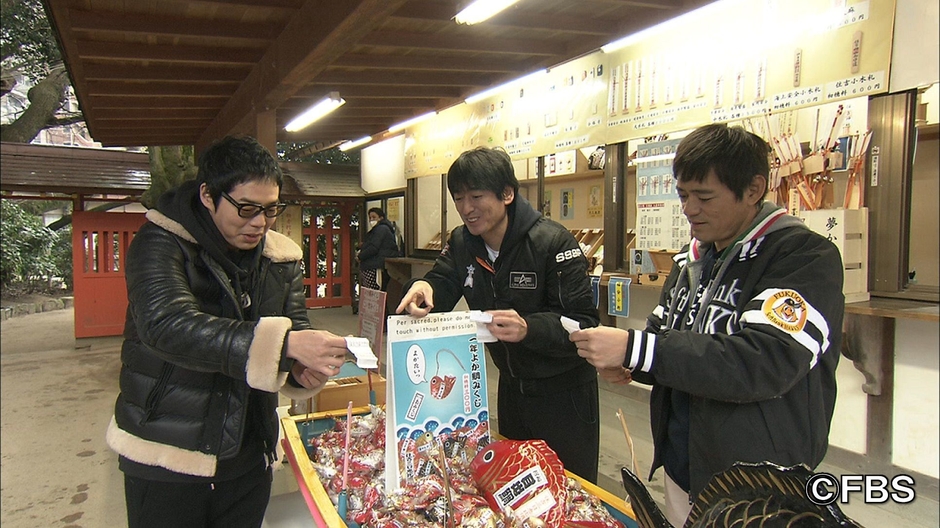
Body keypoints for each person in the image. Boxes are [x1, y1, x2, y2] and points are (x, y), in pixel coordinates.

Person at [570, 123, 845, 525]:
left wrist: (636, 349)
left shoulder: (802, 258)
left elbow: (764, 360)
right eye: (683, 195)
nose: (689, 209)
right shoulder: (692, 260)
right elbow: (665, 337)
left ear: (753, 189)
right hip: (684, 463)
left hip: (759, 482)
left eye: (704, 196)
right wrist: (635, 361)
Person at [106, 135, 351, 528]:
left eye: (270, 210)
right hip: (168, 450)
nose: (259, 223)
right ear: (207, 194)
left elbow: (294, 327)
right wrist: (284, 344)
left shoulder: (279, 255)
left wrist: (303, 368)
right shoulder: (159, 242)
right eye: (247, 209)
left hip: (249, 448)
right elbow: (166, 325)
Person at [395, 147, 602, 483]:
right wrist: (425, 288)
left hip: (564, 396)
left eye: (476, 196)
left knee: (567, 490)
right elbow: (443, 280)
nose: (466, 209)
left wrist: (528, 329)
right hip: (510, 389)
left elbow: (584, 324)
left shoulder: (552, 242)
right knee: (514, 489)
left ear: (507, 194)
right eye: (459, 198)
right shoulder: (463, 242)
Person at [356, 207, 399, 292]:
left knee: (375, 292)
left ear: (381, 218)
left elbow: (374, 247)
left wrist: (360, 256)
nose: (371, 220)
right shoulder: (380, 229)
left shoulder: (381, 229)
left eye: (374, 217)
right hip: (376, 263)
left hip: (375, 265)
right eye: (370, 218)